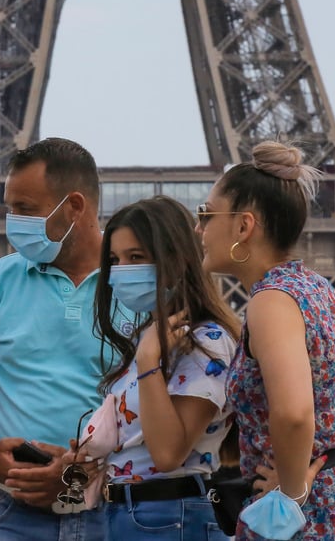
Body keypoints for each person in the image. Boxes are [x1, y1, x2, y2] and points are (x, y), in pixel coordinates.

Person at [198, 141, 335, 539]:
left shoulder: (270, 301)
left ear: (244, 225)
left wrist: (290, 495)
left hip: (307, 516)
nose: (198, 227)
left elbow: (293, 414)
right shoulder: (317, 289)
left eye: (206, 214)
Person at [0, 137, 118, 540]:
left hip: (108, 506)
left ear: (74, 207)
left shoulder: (135, 283)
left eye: (25, 209)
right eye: (10, 207)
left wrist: (79, 472)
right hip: (5, 505)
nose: (13, 220)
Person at [92, 197, 240, 540]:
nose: (121, 270)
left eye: (136, 257)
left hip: (169, 515)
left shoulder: (208, 341)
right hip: (125, 514)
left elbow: (168, 453)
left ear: (176, 259)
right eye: (114, 260)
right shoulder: (152, 339)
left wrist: (147, 363)